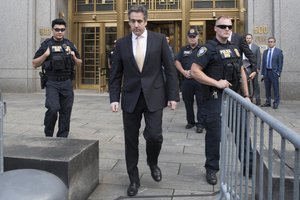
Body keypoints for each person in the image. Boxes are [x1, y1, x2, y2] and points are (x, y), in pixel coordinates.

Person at [109, 5, 179, 197]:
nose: (136, 25)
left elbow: (170, 70)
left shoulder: (159, 40)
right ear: (129, 21)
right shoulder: (122, 44)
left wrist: (173, 95)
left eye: (139, 21)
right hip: (130, 98)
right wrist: (114, 98)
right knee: (130, 140)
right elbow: (115, 74)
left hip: (154, 97)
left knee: (155, 136)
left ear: (146, 21)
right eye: (132, 21)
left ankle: (152, 161)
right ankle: (133, 179)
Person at [190, 16, 250, 185]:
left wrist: (246, 96)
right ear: (215, 28)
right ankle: (211, 169)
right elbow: (195, 71)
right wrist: (217, 83)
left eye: (229, 26)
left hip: (235, 98)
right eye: (222, 26)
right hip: (215, 98)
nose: (226, 29)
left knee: (242, 133)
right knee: (215, 136)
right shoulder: (208, 49)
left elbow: (241, 71)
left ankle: (249, 167)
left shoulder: (235, 48)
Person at [32, 18, 82, 138]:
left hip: (66, 82)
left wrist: (74, 57)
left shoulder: (69, 44)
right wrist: (45, 55)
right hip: (52, 82)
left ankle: (62, 138)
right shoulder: (46, 45)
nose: (60, 32)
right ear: (52, 30)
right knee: (53, 108)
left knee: (66, 111)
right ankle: (48, 134)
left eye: (62, 30)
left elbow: (80, 63)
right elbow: (34, 63)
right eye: (57, 29)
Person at [175, 28, 204, 133]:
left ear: (198, 37)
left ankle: (200, 124)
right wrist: (183, 71)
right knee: (188, 102)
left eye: (194, 36)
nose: (192, 39)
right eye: (190, 37)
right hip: (187, 81)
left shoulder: (203, 49)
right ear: (187, 38)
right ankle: (190, 121)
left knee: (201, 102)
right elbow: (177, 61)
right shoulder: (184, 49)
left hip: (200, 81)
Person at [261, 37, 283, 109]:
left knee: (275, 88)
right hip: (266, 72)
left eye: (272, 42)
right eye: (269, 42)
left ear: (274, 42)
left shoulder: (278, 52)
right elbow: (263, 63)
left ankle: (276, 102)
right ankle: (268, 101)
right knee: (267, 88)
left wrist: (278, 73)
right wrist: (262, 73)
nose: (270, 43)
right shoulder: (265, 52)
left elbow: (280, 63)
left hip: (274, 73)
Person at [244, 33, 262, 105]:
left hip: (253, 68)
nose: (248, 39)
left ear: (252, 39)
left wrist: (258, 68)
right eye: (247, 38)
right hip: (245, 67)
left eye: (249, 38)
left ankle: (258, 99)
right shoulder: (243, 47)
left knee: (255, 84)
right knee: (247, 83)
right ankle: (249, 98)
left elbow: (259, 58)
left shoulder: (256, 47)